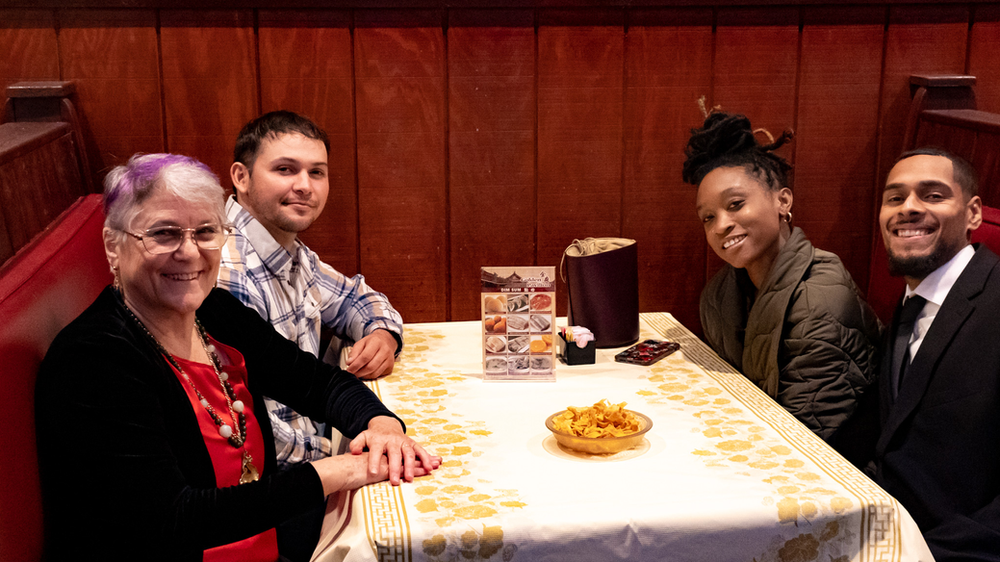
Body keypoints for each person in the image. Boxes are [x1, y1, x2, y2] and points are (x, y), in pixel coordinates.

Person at [35, 153, 440, 561]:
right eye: (164, 234)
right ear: (113, 245)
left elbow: (317, 382)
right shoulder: (93, 360)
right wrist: (341, 471)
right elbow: (173, 520)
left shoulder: (213, 312)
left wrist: (382, 425)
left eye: (206, 231)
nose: (190, 252)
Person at [682, 111, 882, 462]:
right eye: (708, 217)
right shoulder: (719, 295)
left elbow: (810, 441)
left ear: (782, 202)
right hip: (763, 446)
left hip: (838, 472)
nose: (721, 226)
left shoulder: (818, 300)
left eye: (735, 205)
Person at [218, 111, 404, 473]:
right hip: (277, 486)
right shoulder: (228, 271)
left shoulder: (288, 250)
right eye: (285, 169)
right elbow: (246, 431)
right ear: (241, 177)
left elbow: (356, 298)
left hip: (315, 451)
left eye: (316, 172)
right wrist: (339, 462)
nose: (305, 185)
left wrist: (383, 334)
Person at [873, 148, 1000, 560]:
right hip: (889, 526)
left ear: (973, 213)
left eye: (932, 195)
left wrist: (926, 555)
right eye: (895, 198)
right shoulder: (916, 298)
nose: (907, 208)